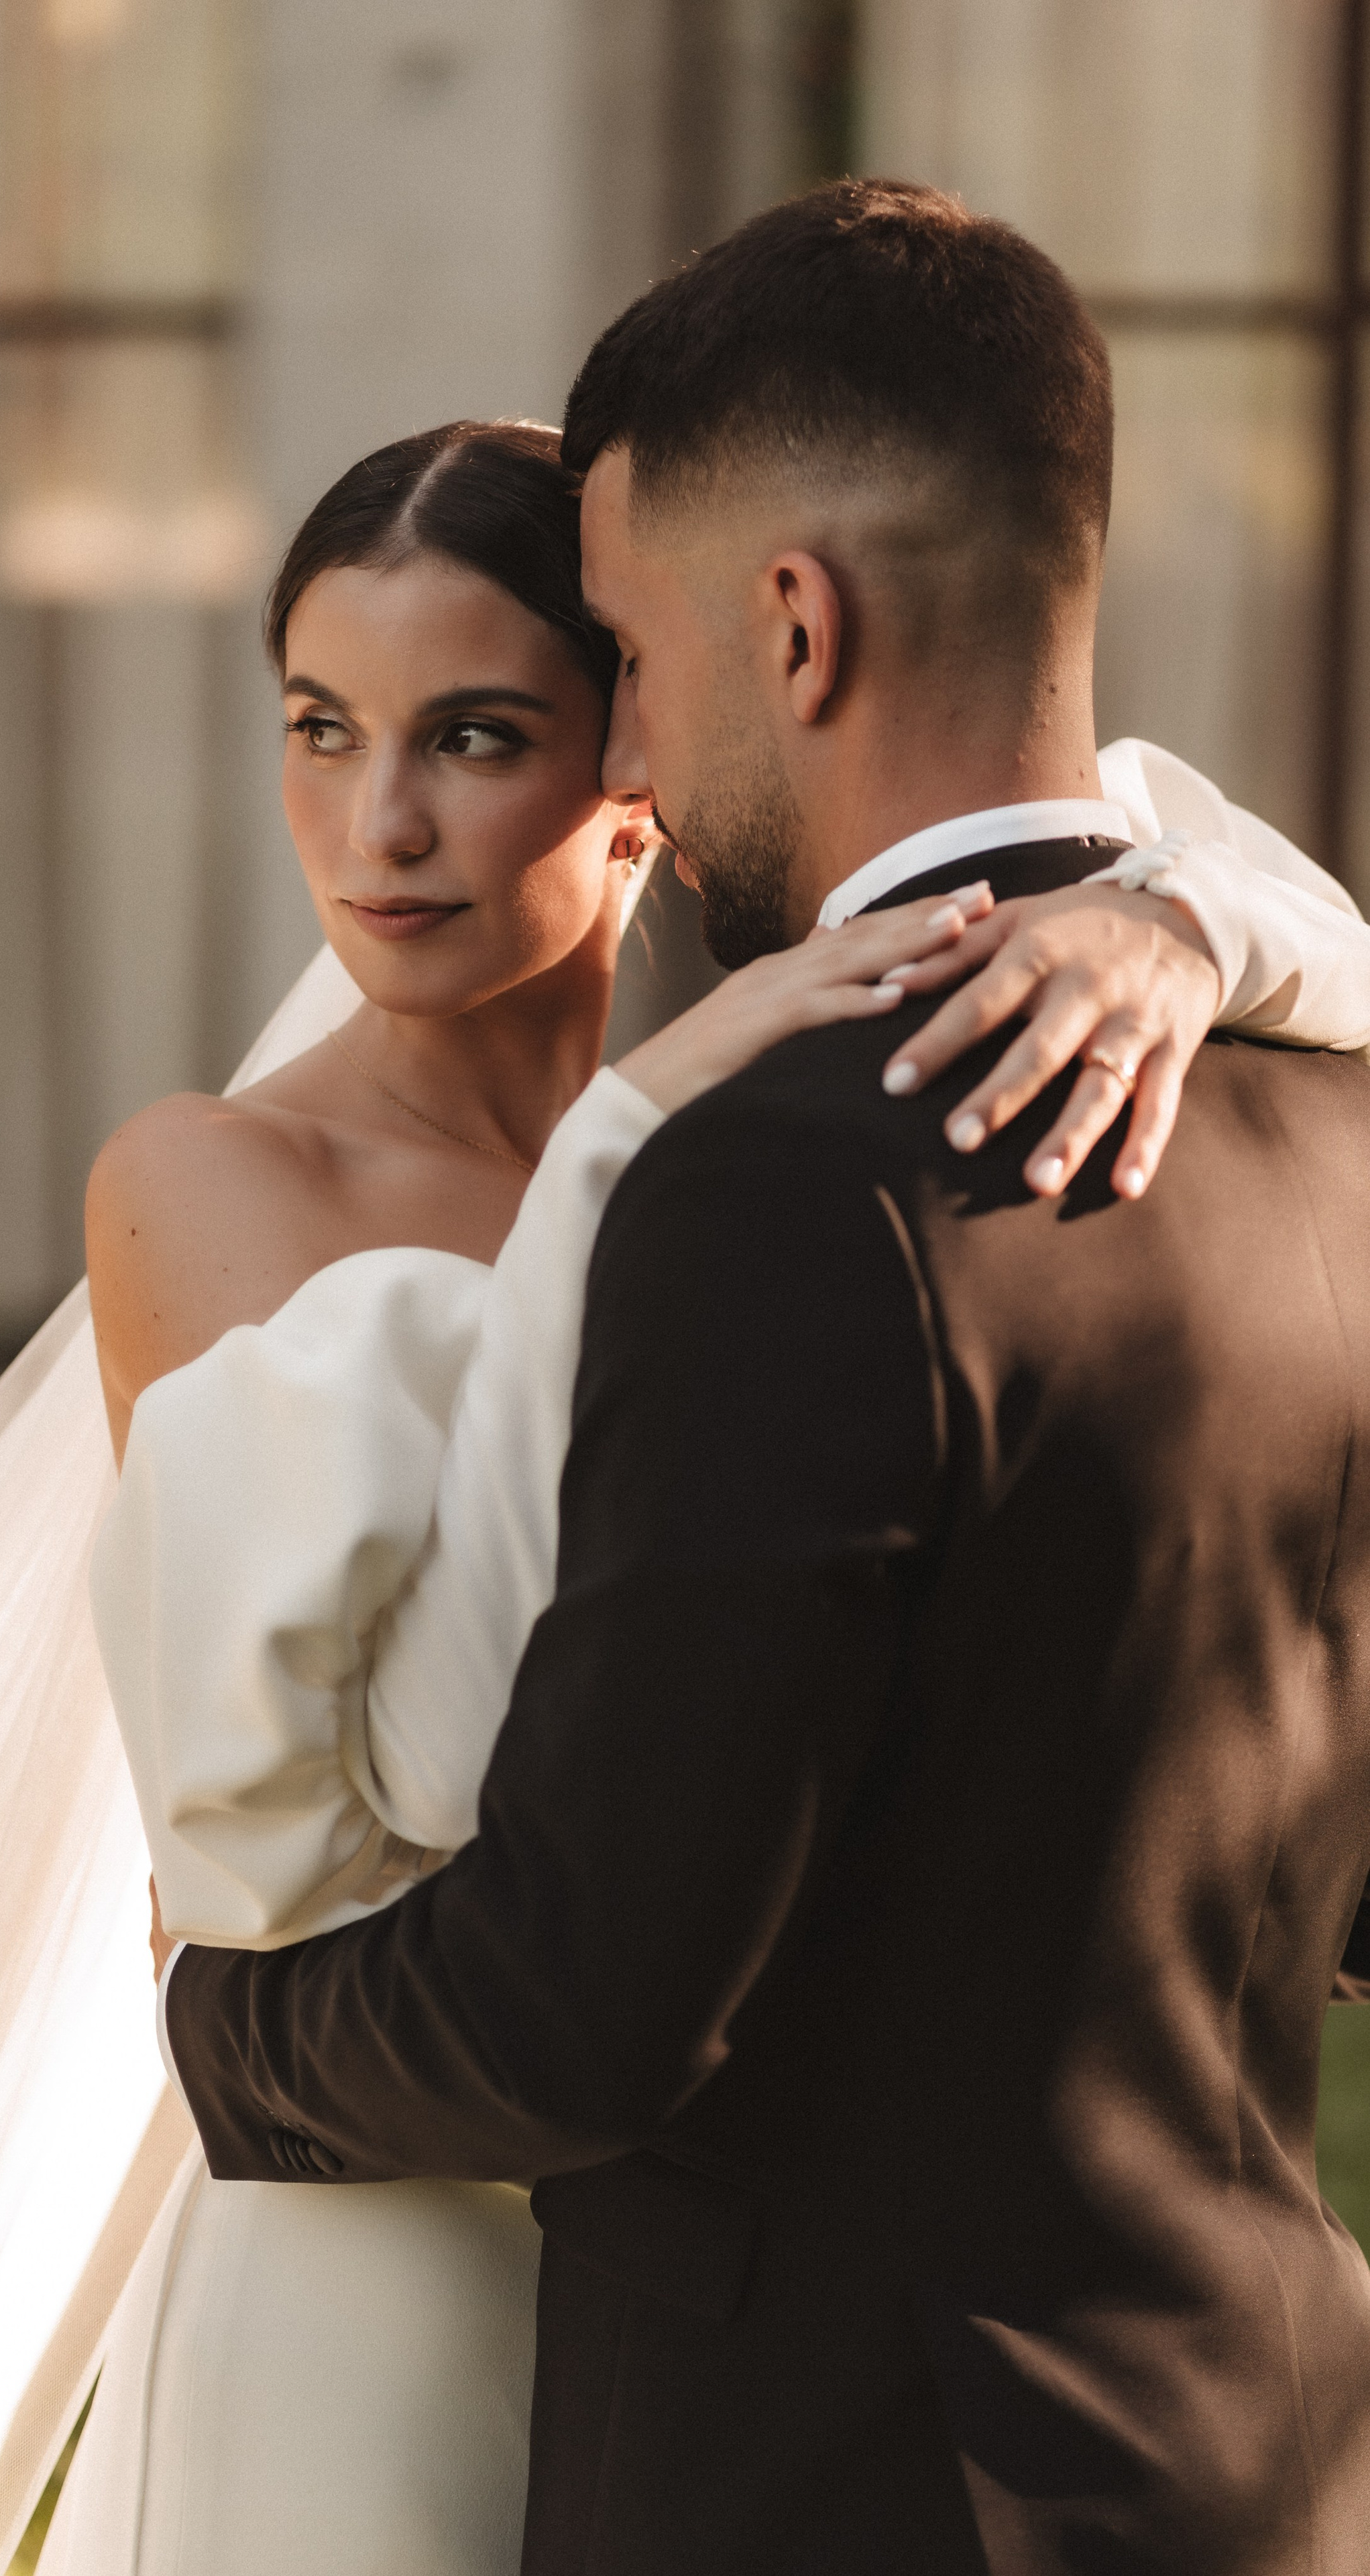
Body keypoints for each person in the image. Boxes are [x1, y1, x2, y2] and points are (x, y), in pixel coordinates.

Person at [71, 345, 1370, 2576]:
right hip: (388, 2221)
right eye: (319, 725)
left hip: (741, 2297)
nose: (378, 824)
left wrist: (1179, 921)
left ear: (642, 757)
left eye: (478, 735)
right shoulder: (217, 1189)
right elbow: (387, 1821)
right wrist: (613, 1159)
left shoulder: (815, 1141)